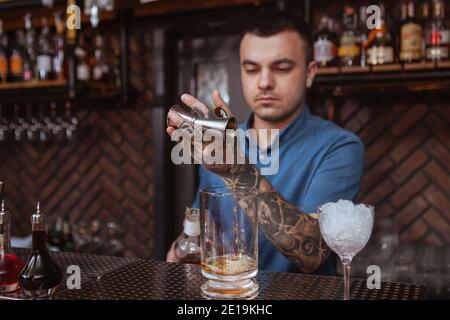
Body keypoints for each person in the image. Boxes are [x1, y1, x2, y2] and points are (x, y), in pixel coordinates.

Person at [166, 11, 364, 275]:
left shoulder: (339, 147)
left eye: (281, 68)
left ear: (309, 73)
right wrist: (180, 252)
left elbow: (313, 251)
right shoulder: (220, 144)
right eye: (251, 69)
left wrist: (234, 169)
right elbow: (197, 234)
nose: (264, 82)